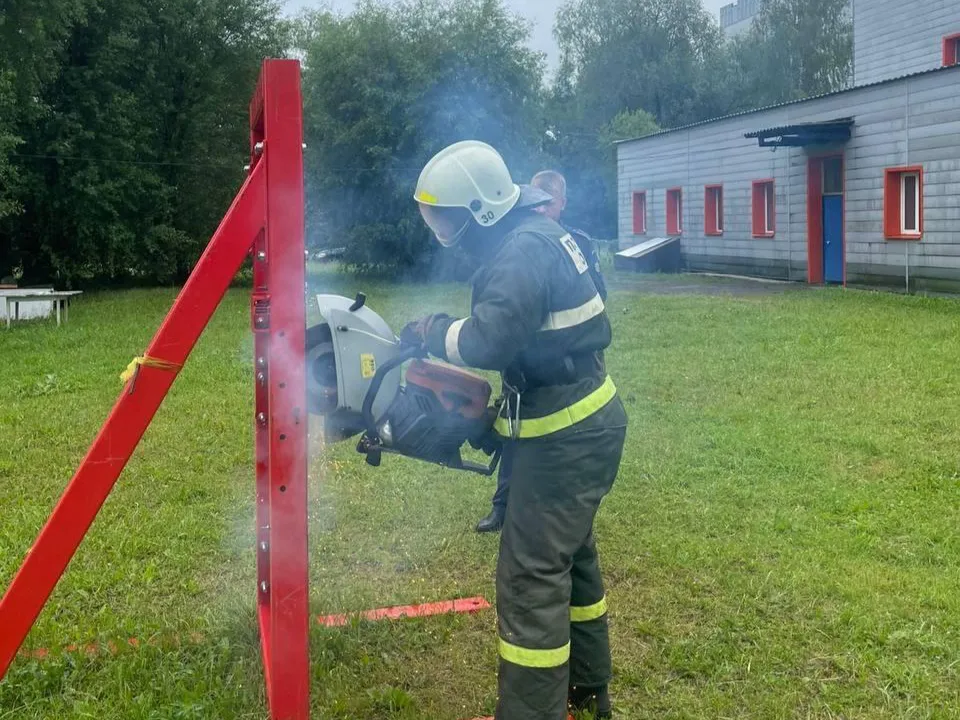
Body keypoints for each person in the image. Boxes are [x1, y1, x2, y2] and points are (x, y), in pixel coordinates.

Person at [402, 141, 627, 720]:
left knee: (530, 579)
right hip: (586, 419)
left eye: (443, 220)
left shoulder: (520, 252)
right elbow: (548, 344)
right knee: (571, 558)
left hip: (566, 439)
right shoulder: (543, 235)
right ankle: (588, 690)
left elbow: (489, 340)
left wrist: (434, 331)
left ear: (479, 211)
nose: (439, 234)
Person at [475, 170, 608, 534]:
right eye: (540, 200)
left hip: (561, 363)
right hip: (522, 359)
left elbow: (596, 296)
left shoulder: (575, 242)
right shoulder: (515, 243)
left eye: (552, 202)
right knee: (512, 425)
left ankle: (553, 509)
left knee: (551, 437)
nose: (545, 208)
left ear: (562, 205)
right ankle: (502, 505)